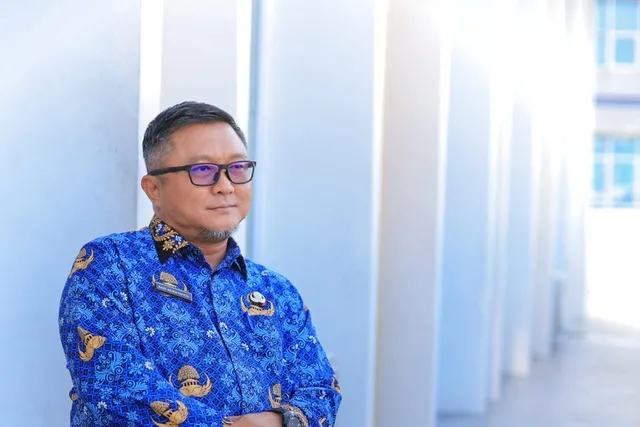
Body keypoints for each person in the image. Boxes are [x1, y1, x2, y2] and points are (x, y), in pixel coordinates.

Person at [58, 101, 341, 427]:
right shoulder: (109, 266)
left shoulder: (275, 289)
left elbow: (320, 388)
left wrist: (281, 421)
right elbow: (115, 391)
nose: (225, 186)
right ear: (154, 188)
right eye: (203, 170)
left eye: (238, 167)